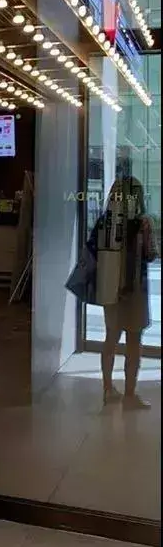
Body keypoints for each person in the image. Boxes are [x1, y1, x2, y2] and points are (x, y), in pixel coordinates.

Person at [100, 175, 158, 409]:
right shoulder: (143, 222)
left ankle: (107, 389)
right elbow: (151, 255)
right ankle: (130, 394)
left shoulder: (105, 222)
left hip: (111, 287)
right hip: (135, 290)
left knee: (110, 338)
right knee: (134, 341)